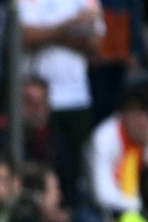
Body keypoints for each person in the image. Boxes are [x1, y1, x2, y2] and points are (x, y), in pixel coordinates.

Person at [19, 0, 105, 173]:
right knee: (34, 167)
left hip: (76, 99)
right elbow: (23, 36)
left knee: (72, 171)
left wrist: (47, 34)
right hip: (34, 100)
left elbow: (97, 43)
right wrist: (67, 28)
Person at [0, 77, 76, 206]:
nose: (36, 108)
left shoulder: (57, 141)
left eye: (41, 102)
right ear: (15, 103)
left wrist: (65, 212)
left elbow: (69, 185)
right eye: (29, 101)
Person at [88, 81, 148, 218]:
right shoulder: (103, 138)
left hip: (143, 209)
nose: (142, 122)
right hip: (106, 211)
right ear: (123, 114)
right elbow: (103, 194)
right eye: (137, 114)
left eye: (147, 114)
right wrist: (144, 207)